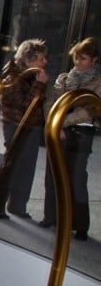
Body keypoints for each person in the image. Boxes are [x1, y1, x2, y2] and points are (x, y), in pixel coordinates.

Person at [39, 37, 101, 241]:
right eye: (76, 58)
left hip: (81, 134)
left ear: (94, 60)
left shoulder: (98, 83)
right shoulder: (65, 78)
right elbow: (50, 102)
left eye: (83, 59)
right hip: (58, 130)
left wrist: (60, 123)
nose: (78, 62)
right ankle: (51, 217)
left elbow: (87, 113)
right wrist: (54, 124)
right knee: (52, 174)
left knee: (76, 179)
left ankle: (79, 225)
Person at [0, 38, 49, 220]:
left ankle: (17, 206)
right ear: (30, 59)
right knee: (12, 165)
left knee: (26, 166)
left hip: (31, 126)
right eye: (42, 58)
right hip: (17, 125)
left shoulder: (29, 76)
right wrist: (40, 85)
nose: (45, 62)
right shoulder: (14, 78)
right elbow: (24, 107)